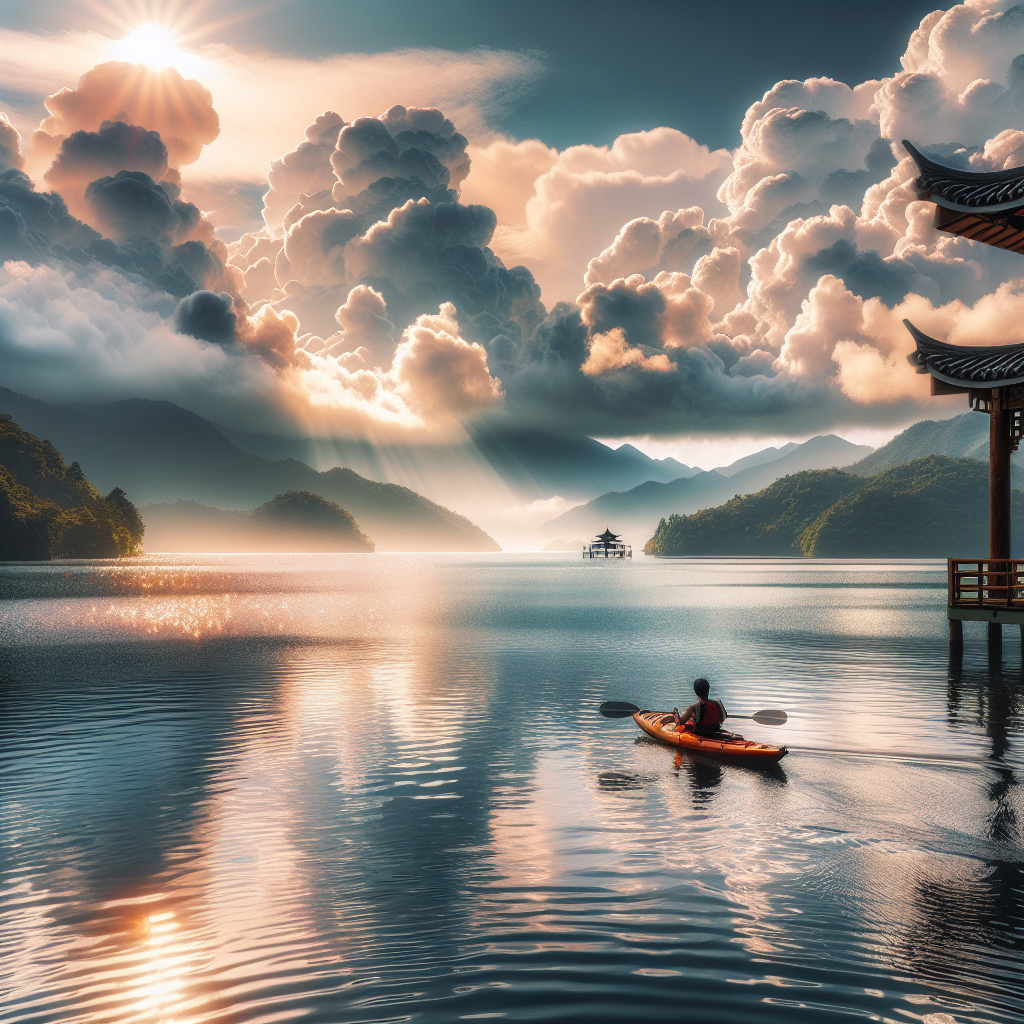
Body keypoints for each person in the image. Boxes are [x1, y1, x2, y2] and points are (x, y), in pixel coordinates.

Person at [673, 678, 740, 738]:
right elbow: (722, 718)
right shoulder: (717, 703)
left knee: (688, 723)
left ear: (695, 692)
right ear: (708, 690)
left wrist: (676, 717)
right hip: (715, 730)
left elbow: (681, 722)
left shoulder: (694, 707)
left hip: (701, 734)